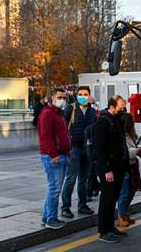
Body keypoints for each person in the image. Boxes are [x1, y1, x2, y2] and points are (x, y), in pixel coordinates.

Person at [94, 96, 129, 243]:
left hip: (118, 167)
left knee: (113, 198)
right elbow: (100, 149)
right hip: (109, 169)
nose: (123, 109)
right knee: (106, 199)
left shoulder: (116, 120)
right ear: (112, 106)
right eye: (120, 107)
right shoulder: (103, 122)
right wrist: (106, 169)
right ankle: (103, 231)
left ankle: (110, 227)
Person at [61, 86, 98, 218]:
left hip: (87, 149)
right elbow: (62, 128)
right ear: (76, 96)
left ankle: (82, 205)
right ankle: (65, 207)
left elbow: (95, 129)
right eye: (80, 94)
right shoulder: (70, 109)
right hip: (74, 149)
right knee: (71, 179)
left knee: (84, 179)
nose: (83, 96)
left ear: (89, 96)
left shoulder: (92, 112)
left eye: (85, 94)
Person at [37, 88, 71, 230]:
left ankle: (47, 217)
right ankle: (51, 219)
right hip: (53, 156)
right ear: (52, 98)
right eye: (59, 97)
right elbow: (46, 137)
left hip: (61, 154)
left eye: (64, 97)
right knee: (54, 189)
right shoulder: (48, 114)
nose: (62, 100)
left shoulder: (59, 114)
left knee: (54, 188)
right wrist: (54, 154)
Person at [117, 113, 141, 227]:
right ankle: (121, 216)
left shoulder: (133, 135)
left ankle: (125, 214)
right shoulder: (119, 135)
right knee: (124, 192)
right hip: (124, 166)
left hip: (133, 166)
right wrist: (136, 151)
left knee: (132, 190)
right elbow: (121, 153)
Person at [87, 95, 101, 201]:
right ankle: (90, 190)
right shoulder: (91, 113)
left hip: (91, 144)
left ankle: (93, 188)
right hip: (89, 145)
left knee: (92, 171)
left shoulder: (93, 112)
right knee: (91, 171)